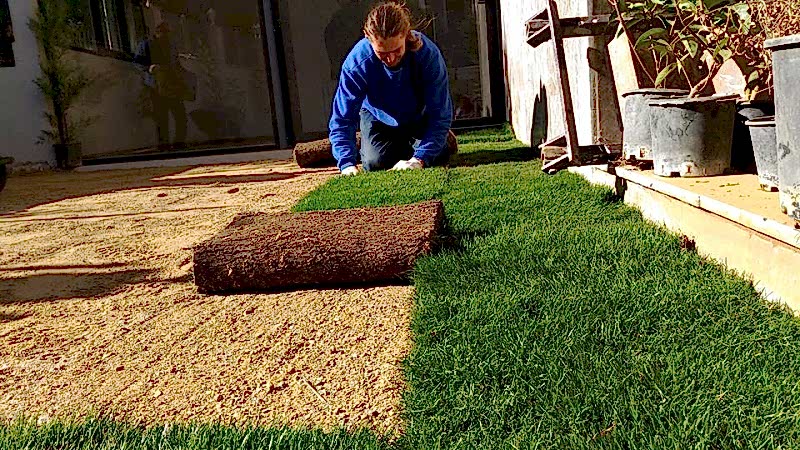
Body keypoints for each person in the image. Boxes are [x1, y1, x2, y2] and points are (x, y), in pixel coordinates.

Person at [328, 1, 454, 175]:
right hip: (377, 116)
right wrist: (346, 164)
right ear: (368, 38)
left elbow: (440, 113)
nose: (391, 59)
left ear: (406, 34)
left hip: (419, 114)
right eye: (382, 53)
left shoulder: (427, 55)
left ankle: (440, 140)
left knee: (438, 155)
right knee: (375, 163)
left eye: (397, 50)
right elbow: (343, 118)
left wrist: (419, 159)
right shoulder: (357, 63)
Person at [134, 21, 188, 149]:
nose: (166, 35)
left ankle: (178, 143)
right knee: (162, 117)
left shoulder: (171, 46)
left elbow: (176, 63)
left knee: (180, 116)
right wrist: (150, 68)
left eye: (167, 32)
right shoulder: (146, 44)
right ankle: (164, 145)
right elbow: (137, 62)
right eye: (164, 32)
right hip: (156, 86)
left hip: (172, 85)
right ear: (157, 32)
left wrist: (183, 76)